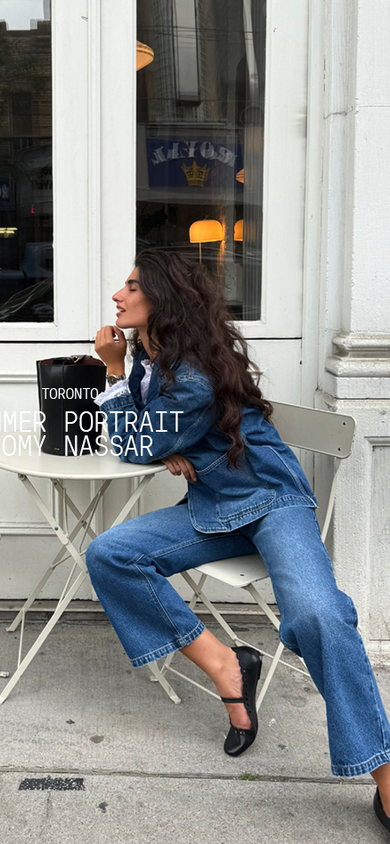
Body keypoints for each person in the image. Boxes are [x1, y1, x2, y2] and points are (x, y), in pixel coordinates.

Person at [87, 249, 390, 834]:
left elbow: (133, 442)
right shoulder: (156, 359)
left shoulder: (189, 374)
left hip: (272, 503)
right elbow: (146, 438)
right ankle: (227, 665)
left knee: (319, 614)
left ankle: (385, 774)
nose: (118, 296)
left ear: (162, 299)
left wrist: (114, 376)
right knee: (111, 554)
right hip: (212, 507)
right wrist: (164, 441)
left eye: (131, 286)